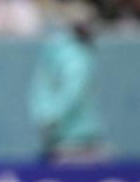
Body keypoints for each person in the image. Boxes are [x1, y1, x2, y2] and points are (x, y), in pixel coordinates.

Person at [28, 9, 106, 164]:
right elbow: (72, 92)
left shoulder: (53, 51)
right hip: (76, 140)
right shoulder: (75, 56)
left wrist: (44, 117)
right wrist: (52, 118)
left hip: (63, 137)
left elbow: (39, 91)